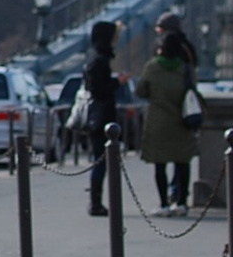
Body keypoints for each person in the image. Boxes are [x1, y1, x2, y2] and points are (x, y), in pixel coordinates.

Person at [135, 31, 197, 216]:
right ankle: (181, 202)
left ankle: (163, 204)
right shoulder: (185, 68)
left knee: (159, 165)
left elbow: (141, 91)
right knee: (182, 163)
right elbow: (193, 90)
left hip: (158, 122)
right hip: (181, 121)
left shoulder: (152, 67)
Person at [83, 20, 124, 216]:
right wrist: (117, 82)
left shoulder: (96, 58)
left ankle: (97, 201)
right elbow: (99, 90)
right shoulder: (99, 60)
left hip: (100, 118)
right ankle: (95, 203)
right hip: (101, 120)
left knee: (101, 161)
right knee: (100, 162)